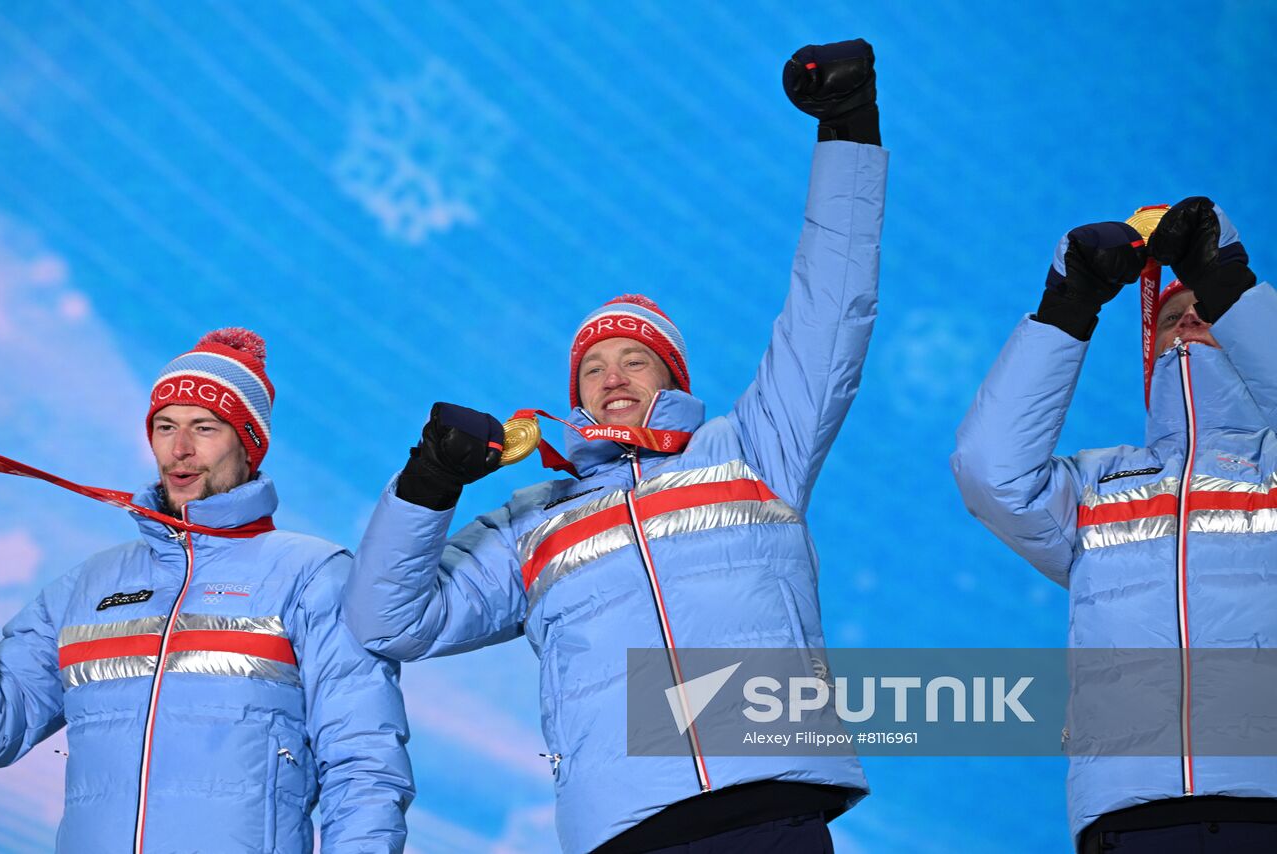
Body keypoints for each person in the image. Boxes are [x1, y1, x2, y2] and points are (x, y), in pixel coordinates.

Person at [345, 40, 887, 853]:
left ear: (671, 374)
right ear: (576, 397)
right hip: (626, 829)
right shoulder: (537, 522)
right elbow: (388, 621)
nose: (613, 375)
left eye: (636, 357)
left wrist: (848, 130)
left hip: (770, 807)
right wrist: (429, 483)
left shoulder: (752, 449)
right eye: (592, 367)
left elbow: (829, 309)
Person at [0, 329, 413, 853]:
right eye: (165, 427)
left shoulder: (313, 576)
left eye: (205, 428)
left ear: (250, 446)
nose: (179, 450)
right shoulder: (86, 588)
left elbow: (364, 768)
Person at [952, 197, 1277, 852]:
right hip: (1129, 819)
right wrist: (1067, 306)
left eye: (1207, 313)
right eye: (1170, 318)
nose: (1188, 327)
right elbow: (991, 474)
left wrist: (1230, 284)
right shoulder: (1100, 486)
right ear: (1148, 348)